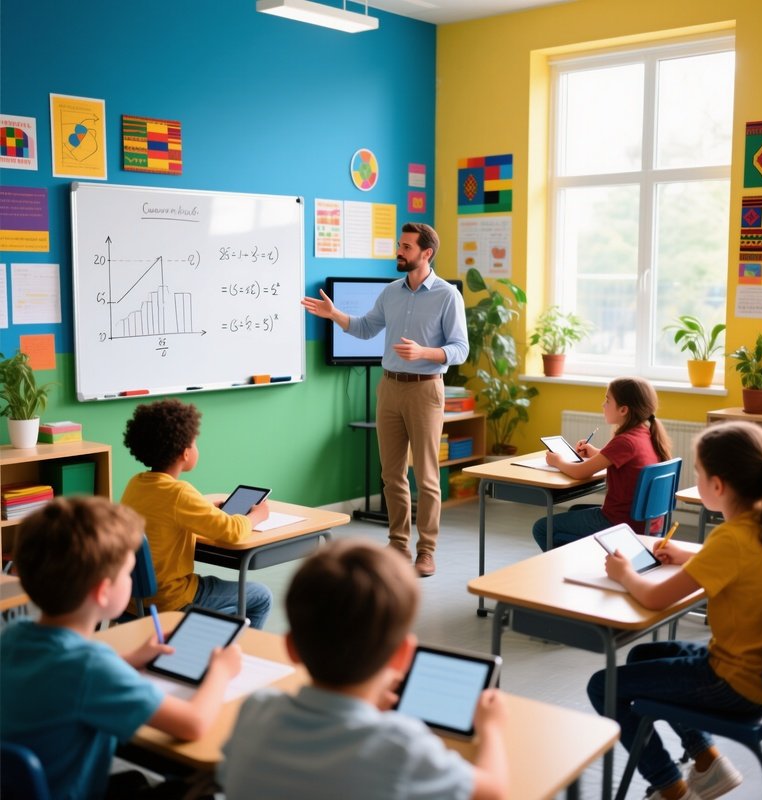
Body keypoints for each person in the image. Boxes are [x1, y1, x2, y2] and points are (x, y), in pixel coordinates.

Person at [587, 421, 762, 800]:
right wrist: (689, 555)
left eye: (699, 474)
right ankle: (708, 761)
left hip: (733, 685)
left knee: (603, 685)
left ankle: (671, 787)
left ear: (717, 486)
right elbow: (743, 564)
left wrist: (624, 574)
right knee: (642, 654)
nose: (697, 481)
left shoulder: (730, 539)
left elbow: (653, 598)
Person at [219, 538, 509, 800]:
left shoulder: (256, 711)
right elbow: (493, 791)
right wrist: (491, 728)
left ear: (291, 647)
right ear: (403, 656)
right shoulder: (400, 746)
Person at [0, 496, 243, 800]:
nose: (131, 579)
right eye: (128, 573)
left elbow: (61, 676)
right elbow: (192, 724)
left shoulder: (13, 636)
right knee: (208, 784)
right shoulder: (90, 666)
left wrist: (129, 659)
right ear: (103, 591)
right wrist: (221, 670)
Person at [301, 223, 468, 577]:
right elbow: (364, 328)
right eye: (399, 245)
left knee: (426, 476)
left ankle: (427, 551)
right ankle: (397, 546)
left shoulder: (447, 295)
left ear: (426, 254)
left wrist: (426, 351)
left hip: (426, 389)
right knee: (392, 475)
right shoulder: (391, 292)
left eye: (406, 247)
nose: (399, 251)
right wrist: (335, 315)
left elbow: (461, 349)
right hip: (389, 388)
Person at [121, 398, 272, 628]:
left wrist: (207, 509)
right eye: (195, 442)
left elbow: (165, 513)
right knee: (261, 597)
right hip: (170, 600)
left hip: (132, 600)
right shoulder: (179, 493)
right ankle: (236, 656)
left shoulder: (136, 483)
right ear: (185, 453)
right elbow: (232, 532)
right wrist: (257, 516)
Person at [532, 377, 671, 551]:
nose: (603, 405)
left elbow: (580, 472)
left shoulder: (625, 441)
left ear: (623, 409)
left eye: (607, 400)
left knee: (542, 528)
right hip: (647, 524)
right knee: (574, 510)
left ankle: (566, 569)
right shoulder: (645, 434)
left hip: (622, 524)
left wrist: (557, 461)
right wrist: (595, 452)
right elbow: (619, 460)